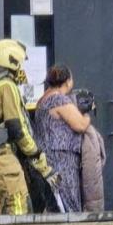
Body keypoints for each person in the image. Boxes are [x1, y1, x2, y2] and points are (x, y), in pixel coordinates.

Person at [0, 39, 58, 216]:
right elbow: (17, 127)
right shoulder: (6, 86)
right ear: (11, 61)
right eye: (20, 64)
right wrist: (34, 152)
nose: (22, 70)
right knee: (18, 198)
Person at [34, 65, 91, 212]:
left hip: (45, 160)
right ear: (67, 81)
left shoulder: (42, 100)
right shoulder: (59, 100)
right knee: (68, 203)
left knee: (54, 205)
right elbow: (80, 125)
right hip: (62, 160)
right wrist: (87, 114)